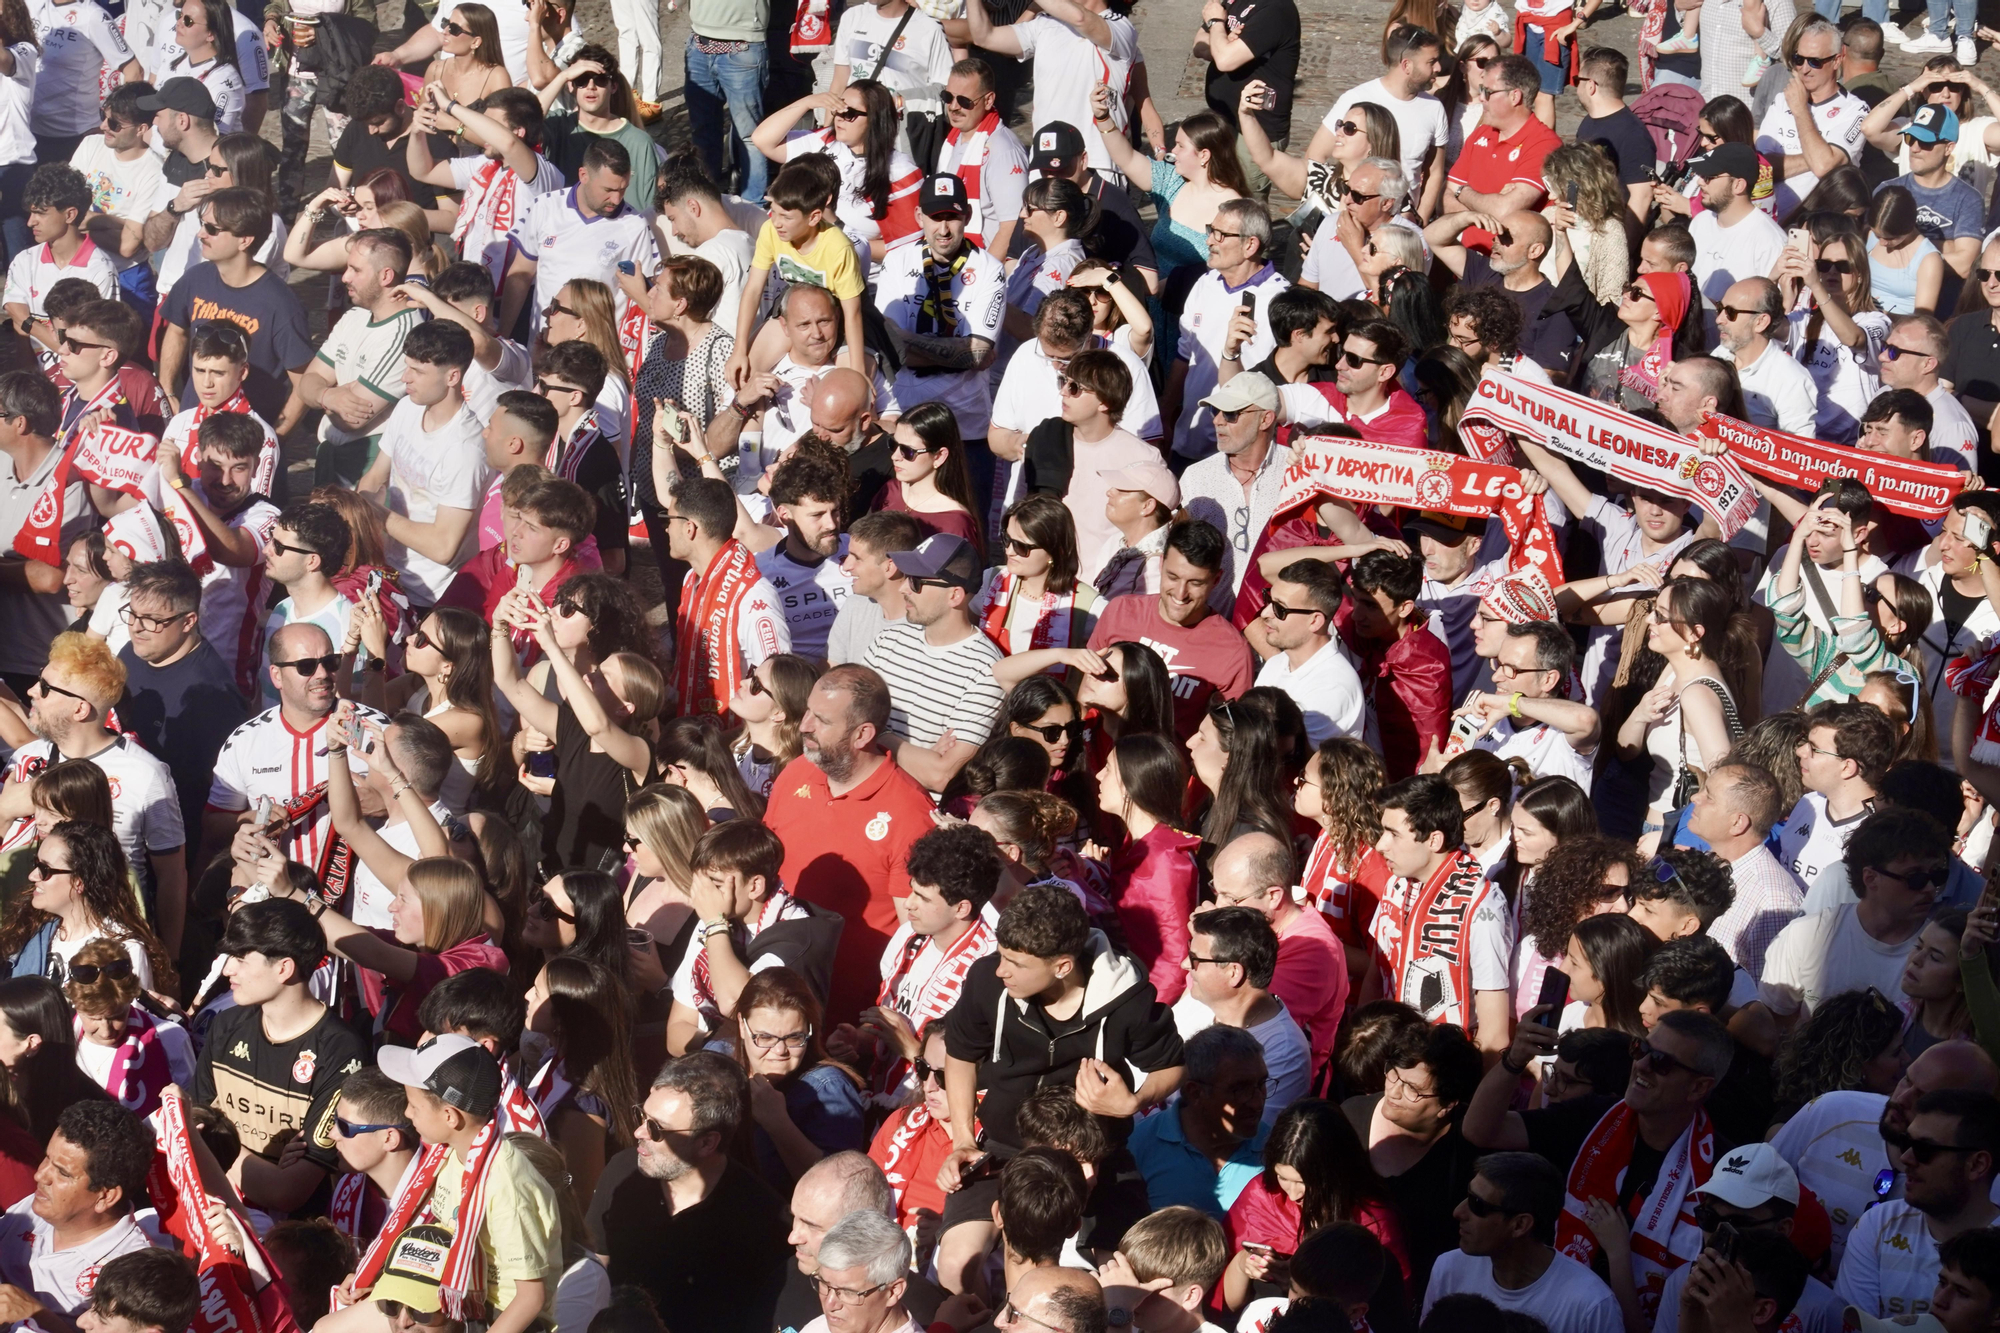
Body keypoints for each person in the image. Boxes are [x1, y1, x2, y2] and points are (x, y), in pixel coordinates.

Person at [763, 665, 939, 1026]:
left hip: (849, 1020)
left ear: (862, 734)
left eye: (822, 720)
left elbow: (917, 936)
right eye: (808, 711)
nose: (804, 725)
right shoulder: (796, 773)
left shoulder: (910, 813)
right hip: (774, 1000)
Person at [351, 1034, 560, 1333]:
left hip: (495, 1318)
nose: (407, 1114)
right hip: (453, 1297)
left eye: (413, 1106)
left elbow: (530, 1298)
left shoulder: (506, 1185)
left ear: (450, 1116)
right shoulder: (449, 1153)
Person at [0, 633, 185, 953]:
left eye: (44, 687)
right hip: (19, 945)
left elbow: (171, 876)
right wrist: (4, 811)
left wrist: (169, 960)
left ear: (80, 709)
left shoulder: (145, 774)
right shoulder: (26, 759)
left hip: (102, 952)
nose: (30, 691)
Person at [586, 1052, 792, 1333]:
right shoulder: (622, 1172)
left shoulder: (764, 1220)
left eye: (656, 1128)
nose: (638, 1133)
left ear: (707, 1143)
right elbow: (595, 1264)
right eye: (641, 1115)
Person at [194, 898, 366, 1214]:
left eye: (241, 958)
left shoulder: (341, 1051)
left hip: (292, 1236)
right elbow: (195, 1132)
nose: (228, 968)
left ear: (284, 968)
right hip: (218, 1213)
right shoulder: (226, 1026)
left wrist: (218, 1150)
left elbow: (287, 1192)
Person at [1370, 774, 1513, 1053]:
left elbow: (1494, 1036)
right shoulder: (1396, 884)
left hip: (1443, 1072)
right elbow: (1377, 973)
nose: (1380, 845)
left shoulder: (1482, 904)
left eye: (1394, 834)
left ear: (1434, 840)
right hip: (1387, 1059)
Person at [862, 533, 1004, 796]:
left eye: (916, 582)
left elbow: (941, 776)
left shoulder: (986, 670)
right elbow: (846, 722)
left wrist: (877, 735)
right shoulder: (889, 640)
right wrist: (918, 756)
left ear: (954, 595)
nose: (903, 588)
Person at [156, 187, 312, 426]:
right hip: (191, 427)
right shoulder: (195, 278)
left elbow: (304, 382)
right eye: (202, 224)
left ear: (244, 240)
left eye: (212, 229)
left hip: (242, 440)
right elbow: (177, 331)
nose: (200, 234)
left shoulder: (281, 304)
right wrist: (167, 390)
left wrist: (276, 438)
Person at [873, 175, 1004, 458]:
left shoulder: (989, 269)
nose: (943, 229)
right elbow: (887, 347)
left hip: (966, 426)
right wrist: (962, 352)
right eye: (935, 217)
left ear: (967, 216)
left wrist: (906, 342)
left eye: (952, 217)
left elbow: (979, 355)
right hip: (907, 419)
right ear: (919, 216)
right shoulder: (897, 261)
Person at [1088, 521, 1256, 740]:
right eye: (1173, 577)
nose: (1180, 593)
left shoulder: (1232, 651)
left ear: (1216, 580)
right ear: (1161, 565)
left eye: (1195, 583)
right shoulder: (1119, 611)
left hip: (1166, 770)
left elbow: (1230, 736)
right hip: (1100, 760)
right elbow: (1086, 685)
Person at [1840, 1089, 2000, 1317]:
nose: (1906, 1158)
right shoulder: (1877, 1226)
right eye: (1907, 1142)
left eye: (1925, 1150)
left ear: (1977, 1165)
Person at [1424, 1152, 1621, 1333]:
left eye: (1477, 1205)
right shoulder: (1449, 1268)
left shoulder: (1591, 1305)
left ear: (1520, 1225)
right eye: (1467, 1195)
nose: (1458, 1212)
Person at [0, 1101, 157, 1318]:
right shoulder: (37, 1206)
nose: (40, 1175)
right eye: (47, 1158)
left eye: (63, 1173)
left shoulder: (134, 1273)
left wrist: (36, 1317)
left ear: (106, 1196)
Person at [1177, 906, 1312, 1112]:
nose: (1184, 964)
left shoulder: (1284, 1052)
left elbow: (1250, 1136)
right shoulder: (1198, 1001)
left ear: (1233, 972)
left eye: (1195, 959)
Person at [1682, 762, 1803, 977]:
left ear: (1738, 823)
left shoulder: (1773, 901)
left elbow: (1767, 995)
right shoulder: (1708, 862)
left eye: (1709, 797)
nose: (1694, 798)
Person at [1343, 549, 1451, 780]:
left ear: (1404, 608)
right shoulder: (1360, 630)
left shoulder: (1427, 667)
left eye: (1371, 606)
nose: (1355, 615)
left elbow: (1426, 753)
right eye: (1356, 600)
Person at [1775, 699, 1897, 889]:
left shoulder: (1881, 838)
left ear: (1847, 767)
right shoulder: (1808, 804)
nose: (1800, 751)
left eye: (1813, 749)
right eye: (1804, 742)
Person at [1756, 18, 1870, 218]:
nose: (1804, 69)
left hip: (1814, 222)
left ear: (1836, 60)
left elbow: (1823, 167)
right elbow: (1762, 168)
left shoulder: (1855, 110)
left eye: (1815, 62)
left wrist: (1800, 109)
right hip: (1764, 215)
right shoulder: (1783, 100)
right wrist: (1816, 156)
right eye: (1799, 59)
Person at [1253, 560, 1362, 747]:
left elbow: (1291, 762)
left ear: (1315, 621)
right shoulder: (1276, 663)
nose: (1264, 613)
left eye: (1280, 608)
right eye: (1268, 599)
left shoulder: (1332, 687)